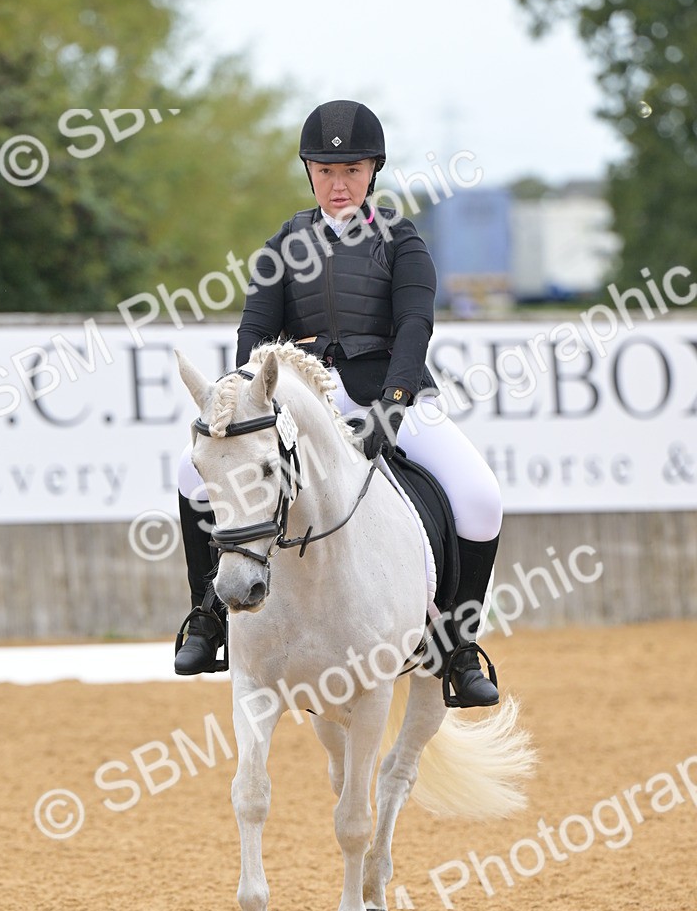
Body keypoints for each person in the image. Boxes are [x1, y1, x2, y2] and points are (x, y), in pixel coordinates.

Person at [175, 99, 503, 707]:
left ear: (373, 170)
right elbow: (254, 335)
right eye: (325, 170)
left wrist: (393, 404)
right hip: (299, 408)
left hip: (386, 396)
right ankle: (208, 617)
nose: (338, 183)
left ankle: (457, 648)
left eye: (350, 169)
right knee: (189, 476)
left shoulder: (402, 241)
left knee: (481, 499)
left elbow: (414, 327)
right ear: (309, 172)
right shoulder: (282, 244)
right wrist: (247, 402)